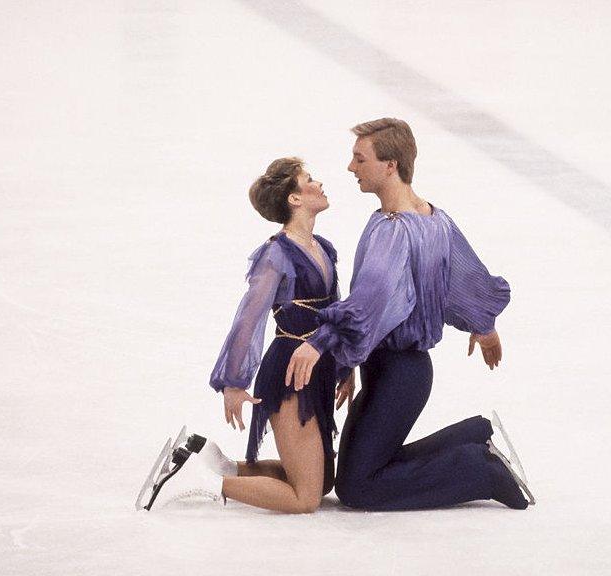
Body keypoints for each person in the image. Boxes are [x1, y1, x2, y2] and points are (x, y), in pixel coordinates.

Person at [286, 118, 533, 511]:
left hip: (397, 373)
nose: (351, 168)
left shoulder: (395, 231)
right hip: (400, 371)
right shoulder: (433, 218)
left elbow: (371, 301)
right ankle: (473, 436)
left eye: (360, 158)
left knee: (357, 488)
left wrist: (320, 344)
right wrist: (485, 330)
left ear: (391, 165)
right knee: (362, 471)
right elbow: (465, 281)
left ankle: (480, 472)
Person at [179, 157, 353, 514]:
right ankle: (201, 482)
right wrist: (233, 382)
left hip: (317, 369)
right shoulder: (276, 254)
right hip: (290, 371)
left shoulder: (324, 248)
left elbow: (335, 315)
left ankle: (217, 464)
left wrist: (347, 367)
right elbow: (249, 317)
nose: (319, 184)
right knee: (304, 499)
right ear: (295, 198)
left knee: (321, 483)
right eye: (309, 179)